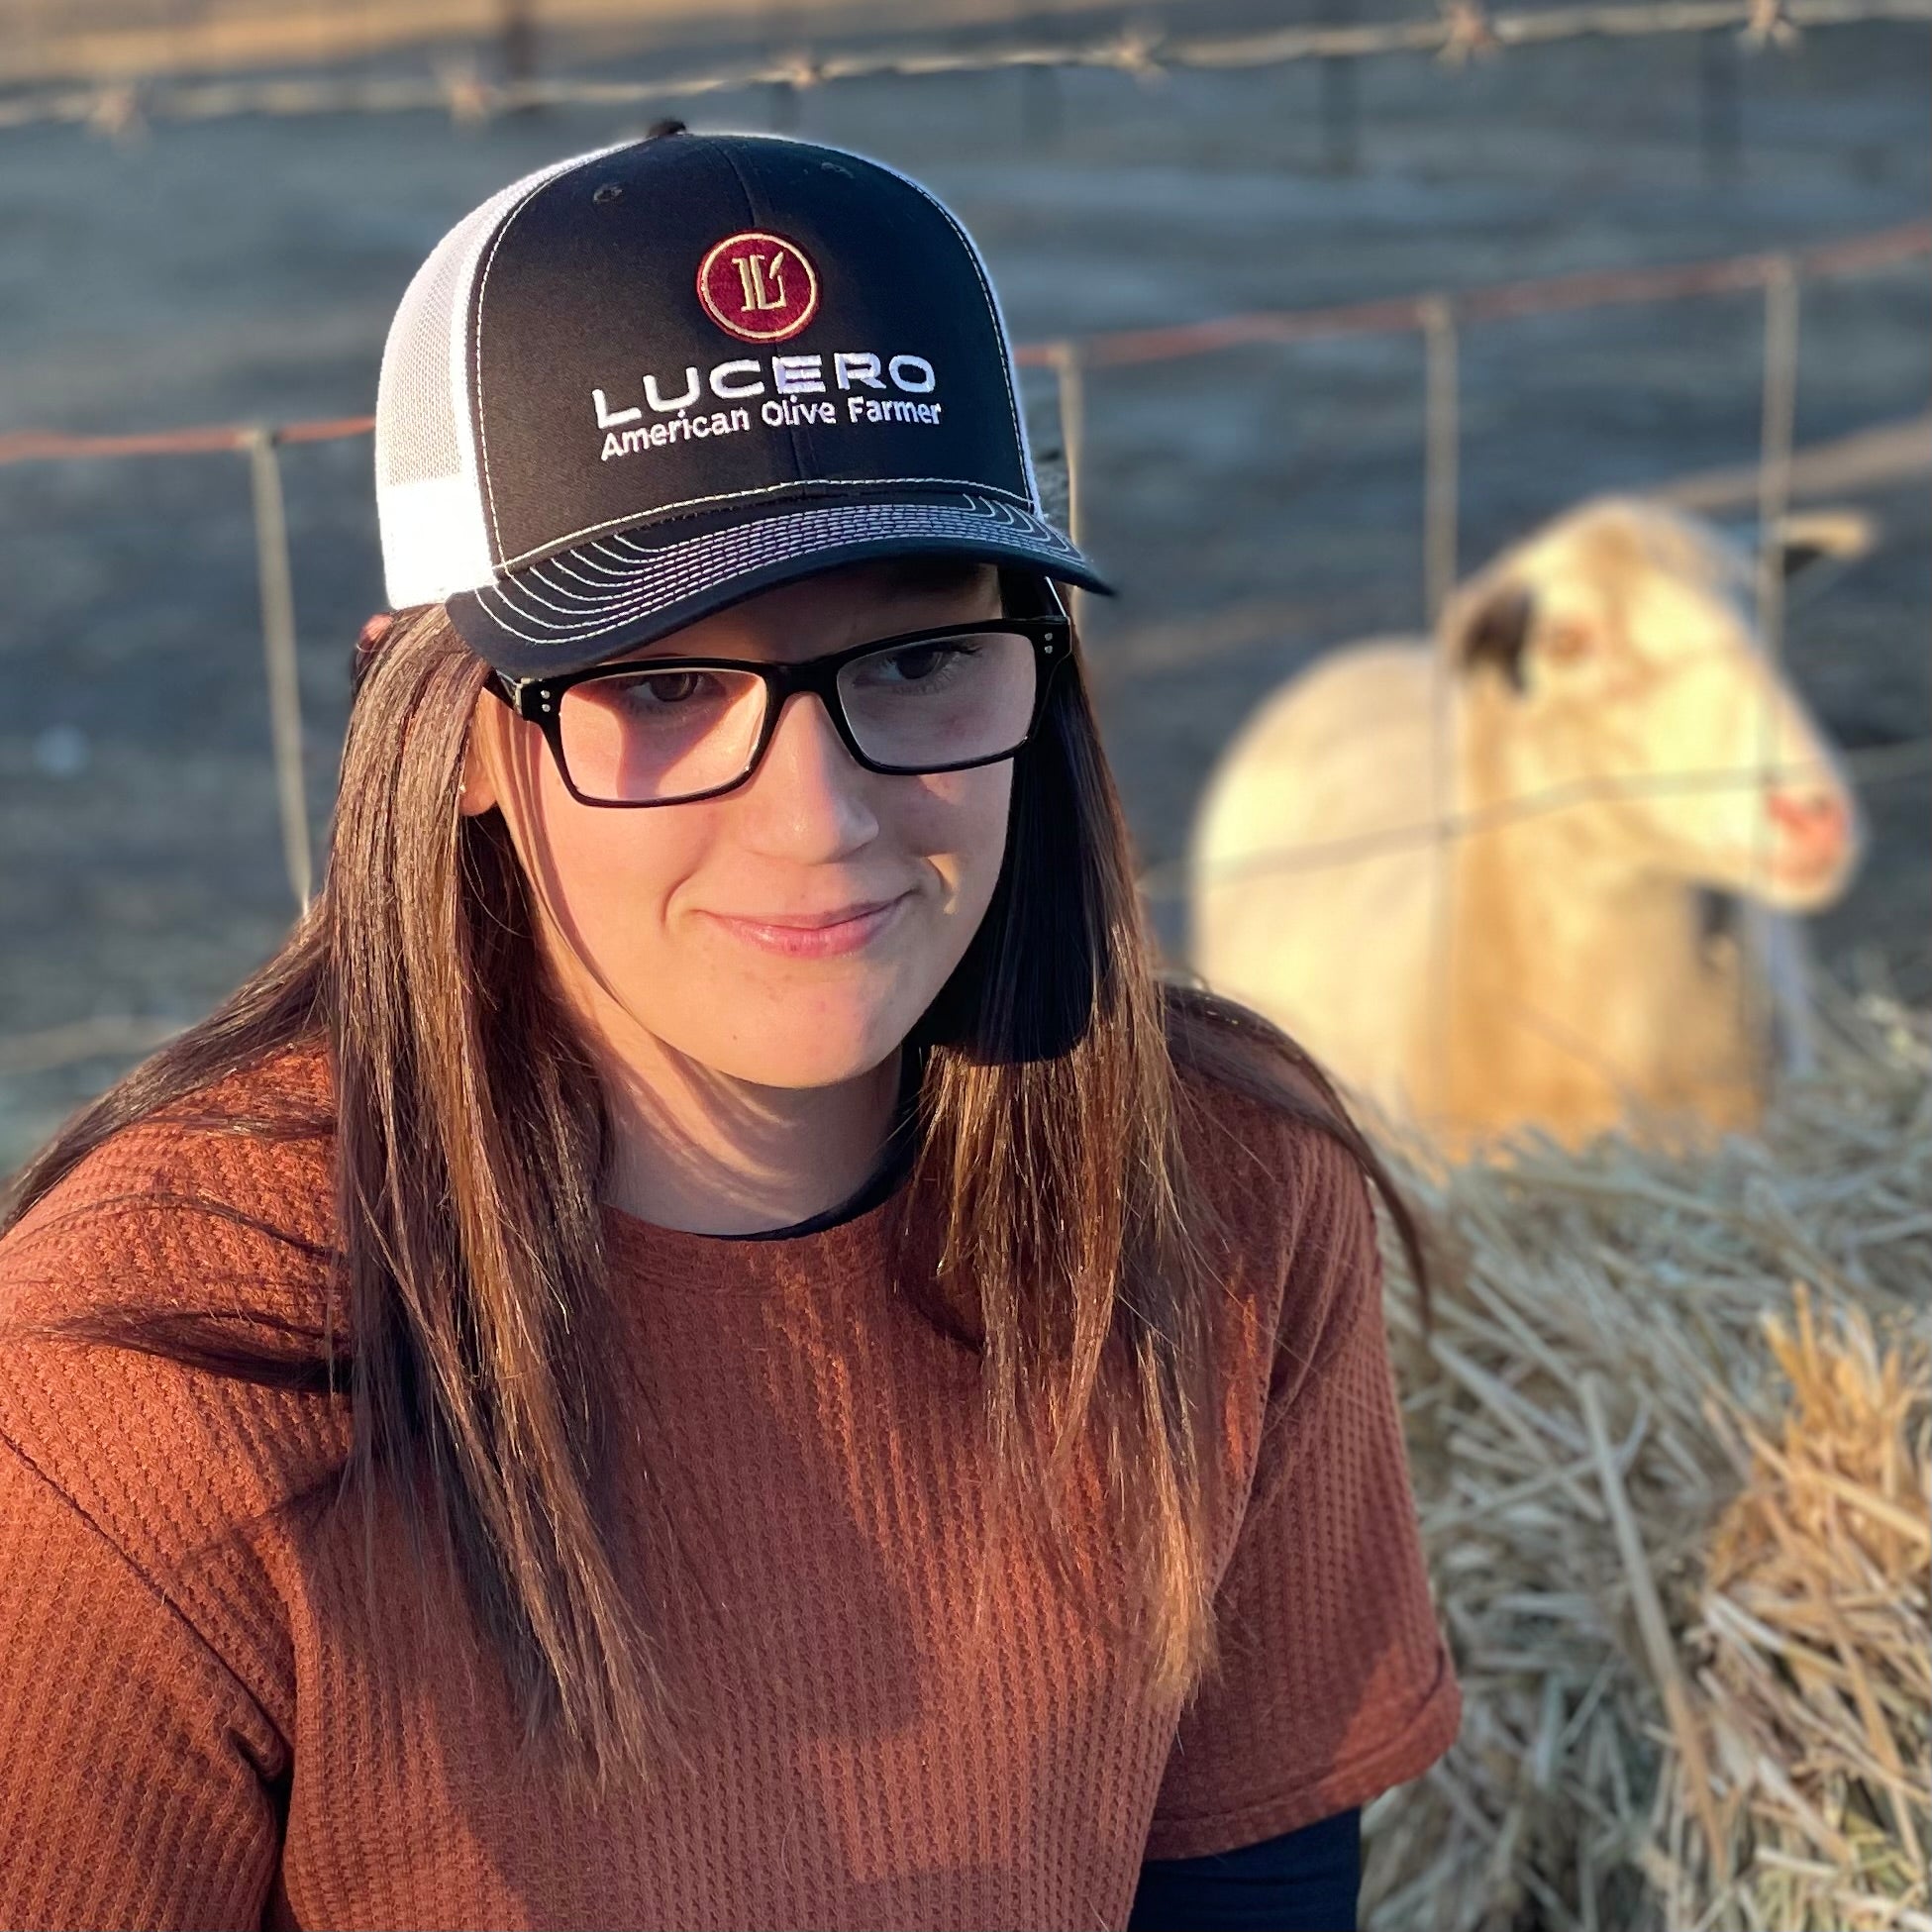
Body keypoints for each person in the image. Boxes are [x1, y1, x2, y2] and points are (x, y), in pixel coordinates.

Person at [0, 126, 1460, 1930]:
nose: (820, 817)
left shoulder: (1224, 1196)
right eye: (668, 686)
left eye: (920, 658)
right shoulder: (141, 1384)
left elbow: (1254, 1887)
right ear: (443, 725)